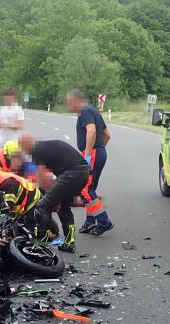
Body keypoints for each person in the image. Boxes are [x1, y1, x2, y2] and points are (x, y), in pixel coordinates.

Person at [19, 134, 89, 253]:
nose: (23, 151)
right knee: (63, 207)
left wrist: (51, 197)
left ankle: (41, 240)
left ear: (26, 145)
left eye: (22, 147)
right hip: (82, 173)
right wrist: (55, 198)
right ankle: (69, 242)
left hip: (71, 173)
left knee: (43, 205)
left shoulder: (36, 150)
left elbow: (43, 178)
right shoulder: (44, 146)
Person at [66, 89, 113, 236]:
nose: (69, 106)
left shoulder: (85, 111)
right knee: (90, 188)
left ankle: (104, 222)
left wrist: (88, 153)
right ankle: (90, 222)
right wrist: (100, 150)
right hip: (99, 152)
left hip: (92, 153)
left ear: (76, 100)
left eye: (69, 103)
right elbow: (107, 135)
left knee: (85, 190)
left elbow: (91, 131)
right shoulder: (94, 111)